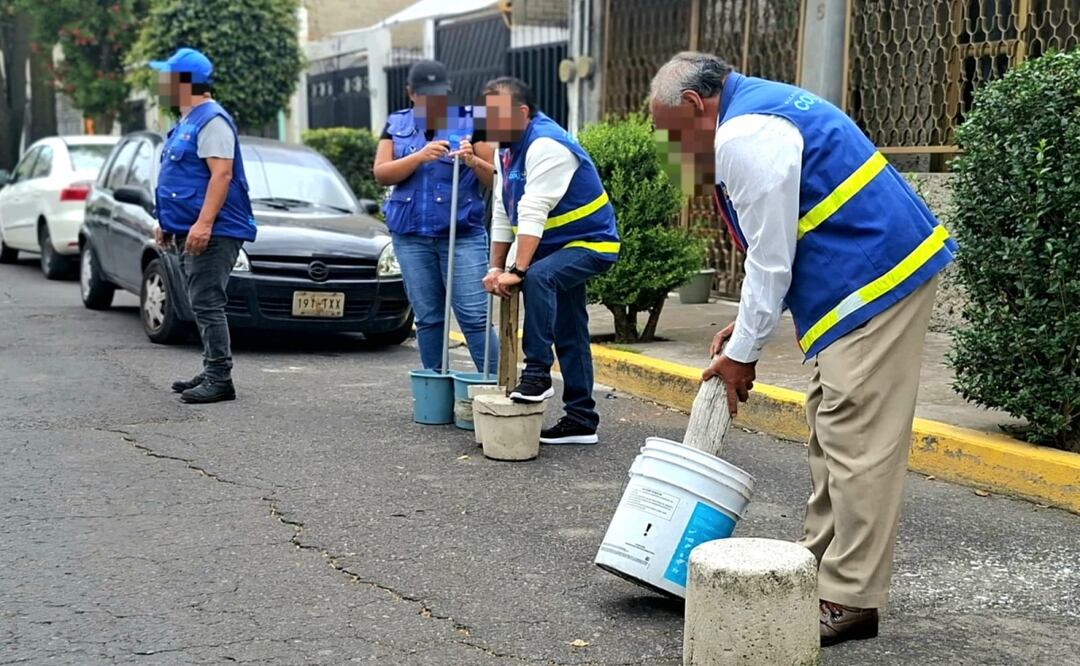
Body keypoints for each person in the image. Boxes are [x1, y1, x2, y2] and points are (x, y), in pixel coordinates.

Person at [649, 52, 956, 645]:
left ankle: (849, 595)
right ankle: (815, 567)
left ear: (693, 106)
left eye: (671, 132)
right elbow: (779, 247)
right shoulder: (757, 109)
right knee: (831, 426)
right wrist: (743, 336)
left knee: (856, 438)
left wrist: (744, 352)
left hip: (877, 279)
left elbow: (770, 260)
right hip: (858, 281)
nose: (672, 148)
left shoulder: (745, 134)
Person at [482, 77, 620, 446]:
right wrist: (495, 267)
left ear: (522, 113)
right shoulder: (505, 149)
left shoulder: (546, 144)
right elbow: (501, 210)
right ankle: (581, 420)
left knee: (539, 278)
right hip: (555, 250)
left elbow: (532, 211)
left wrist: (517, 271)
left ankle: (538, 374)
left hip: (592, 244)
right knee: (571, 332)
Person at [373, 60, 498, 374]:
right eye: (426, 96)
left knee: (474, 316)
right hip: (412, 238)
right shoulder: (395, 124)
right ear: (411, 94)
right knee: (428, 317)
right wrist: (418, 156)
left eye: (440, 95)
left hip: (462, 236)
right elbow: (382, 173)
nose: (434, 103)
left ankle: (498, 385)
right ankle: (435, 387)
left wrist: (472, 161)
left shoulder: (472, 123)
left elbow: (497, 178)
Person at [150, 47, 256, 404]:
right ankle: (211, 365)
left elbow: (221, 174)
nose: (160, 85)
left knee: (207, 301)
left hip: (216, 228)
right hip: (189, 227)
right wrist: (165, 222)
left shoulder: (212, 120)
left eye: (167, 78)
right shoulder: (186, 121)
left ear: (185, 83)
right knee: (200, 301)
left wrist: (204, 224)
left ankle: (219, 377)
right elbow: (179, 178)